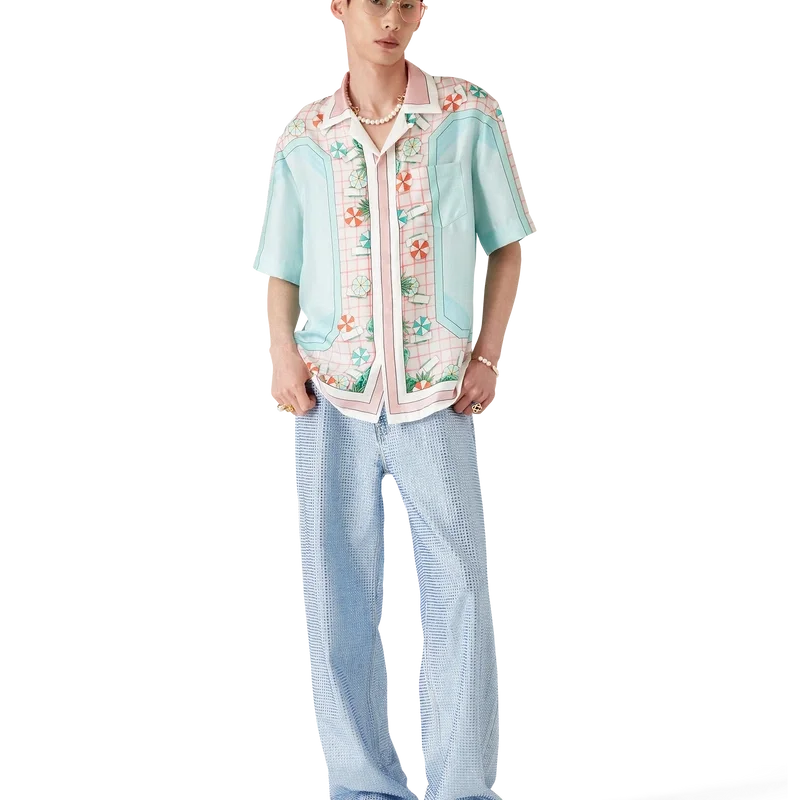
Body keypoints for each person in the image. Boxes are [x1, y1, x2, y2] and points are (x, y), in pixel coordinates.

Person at [256, 2, 535, 797]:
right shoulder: (306, 136)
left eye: (406, 4)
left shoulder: (465, 116)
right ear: (339, 9)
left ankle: (461, 781)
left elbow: (507, 243)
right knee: (334, 581)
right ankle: (359, 780)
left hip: (437, 385)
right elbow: (280, 264)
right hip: (330, 389)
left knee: (459, 580)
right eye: (374, 1)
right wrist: (280, 353)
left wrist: (487, 356)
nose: (392, 19)